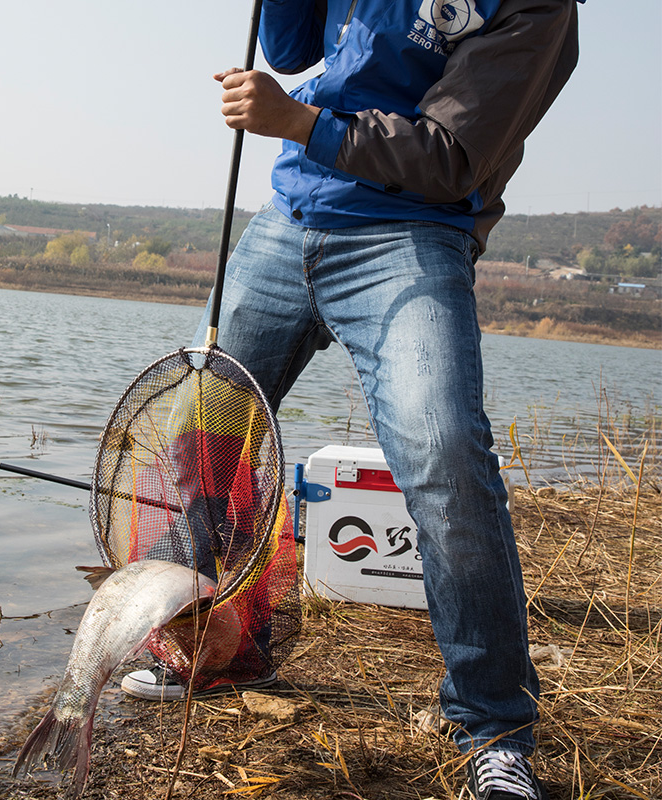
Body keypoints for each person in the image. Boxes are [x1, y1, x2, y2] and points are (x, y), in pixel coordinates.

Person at [124, 1, 583, 797]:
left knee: (444, 456)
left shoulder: (536, 7)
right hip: (291, 214)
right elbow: (291, 40)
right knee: (203, 433)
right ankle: (223, 650)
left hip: (410, 233)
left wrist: (300, 123)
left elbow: (451, 155)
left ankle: (494, 728)